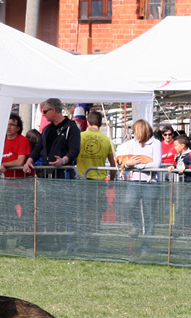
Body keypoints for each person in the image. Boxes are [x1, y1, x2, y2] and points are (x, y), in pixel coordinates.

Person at [76, 110, 116, 249]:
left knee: (81, 213)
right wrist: (111, 180)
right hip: (98, 182)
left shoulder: (79, 137)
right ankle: (94, 241)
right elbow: (113, 164)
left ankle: (81, 240)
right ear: (100, 123)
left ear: (87, 122)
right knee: (96, 213)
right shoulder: (107, 141)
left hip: (81, 180)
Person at [122, 119, 162, 255]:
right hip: (135, 181)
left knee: (149, 214)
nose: (134, 134)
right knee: (129, 202)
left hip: (151, 182)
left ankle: (147, 246)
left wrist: (138, 165)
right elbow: (128, 162)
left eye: (135, 131)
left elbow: (156, 164)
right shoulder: (133, 144)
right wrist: (129, 164)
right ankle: (136, 225)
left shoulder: (156, 143)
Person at [24, 98, 80, 179]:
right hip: (47, 174)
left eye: (45, 111)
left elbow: (74, 150)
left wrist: (63, 160)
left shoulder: (71, 127)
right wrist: (29, 161)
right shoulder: (47, 129)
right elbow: (38, 148)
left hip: (63, 174)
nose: (43, 114)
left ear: (53, 110)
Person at [0, 113, 31, 178]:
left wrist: (2, 164)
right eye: (7, 124)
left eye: (12, 124)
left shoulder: (23, 140)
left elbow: (20, 162)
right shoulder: (1, 141)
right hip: (7, 181)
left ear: (18, 128)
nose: (8, 127)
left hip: (23, 180)